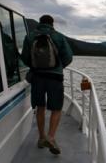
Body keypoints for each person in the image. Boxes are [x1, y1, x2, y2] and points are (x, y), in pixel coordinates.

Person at [21, 15, 73, 154]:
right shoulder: (59, 36)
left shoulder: (30, 37)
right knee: (56, 108)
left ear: (40, 23)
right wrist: (58, 67)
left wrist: (35, 66)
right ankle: (51, 137)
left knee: (40, 107)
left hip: (37, 77)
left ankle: (41, 137)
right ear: (52, 23)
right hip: (55, 78)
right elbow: (68, 57)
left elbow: (25, 57)